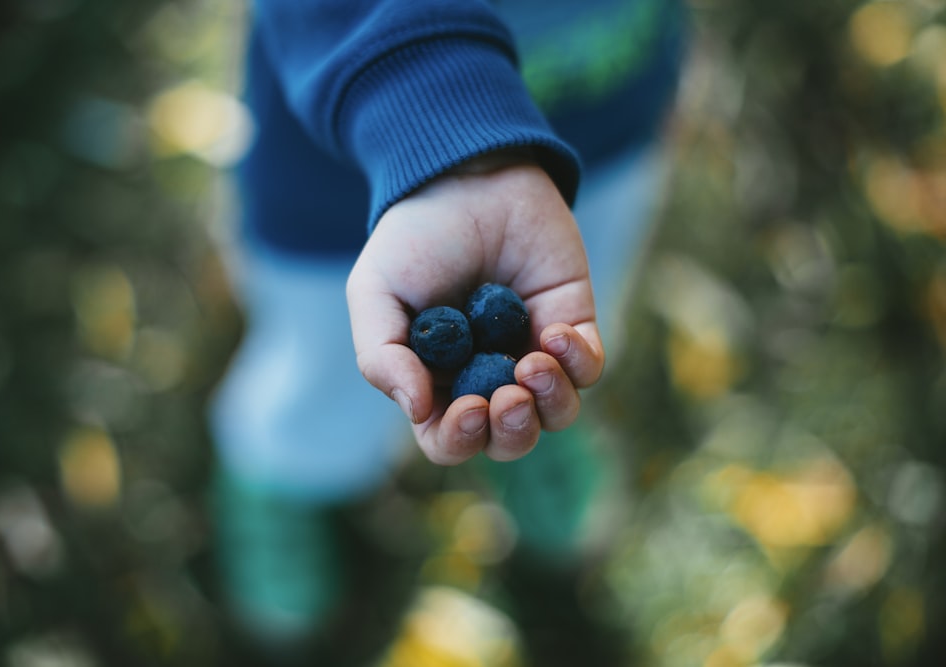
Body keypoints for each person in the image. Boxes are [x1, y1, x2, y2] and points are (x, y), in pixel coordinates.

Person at [208, 0, 687, 660]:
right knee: (325, 362)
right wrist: (432, 112)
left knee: (571, 295)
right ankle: (291, 465)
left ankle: (533, 409)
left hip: (603, 104)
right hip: (348, 132)